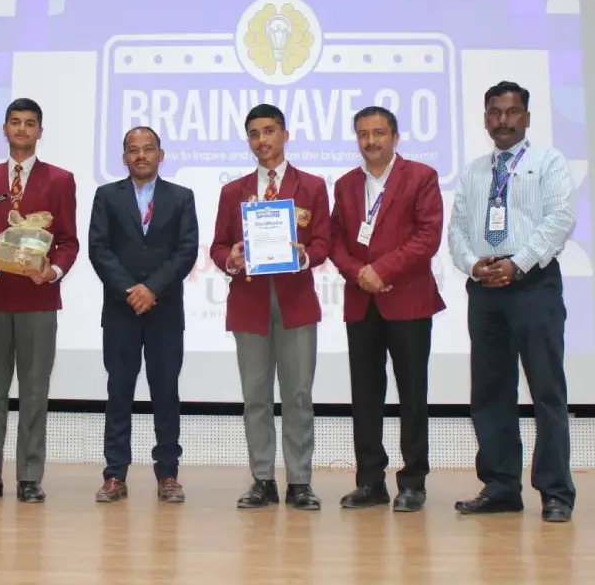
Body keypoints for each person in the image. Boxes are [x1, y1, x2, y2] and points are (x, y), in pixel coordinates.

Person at [447, 80, 577, 523]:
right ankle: (501, 486)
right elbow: (458, 230)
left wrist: (518, 264)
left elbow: (560, 218)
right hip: (485, 288)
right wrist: (473, 265)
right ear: (485, 118)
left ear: (526, 116)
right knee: (489, 392)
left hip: (533, 285)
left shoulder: (548, 162)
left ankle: (556, 491)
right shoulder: (474, 171)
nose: (503, 120)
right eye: (495, 113)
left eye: (511, 112)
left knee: (546, 391)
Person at [0, 98, 79, 504]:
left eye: (30, 124)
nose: (22, 129)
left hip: (39, 299)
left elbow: (68, 242)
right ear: (5, 129)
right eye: (15, 122)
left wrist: (53, 271)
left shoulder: (60, 179)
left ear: (40, 131)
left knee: (34, 390)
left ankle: (29, 477)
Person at [210, 103, 331, 511]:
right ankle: (263, 478)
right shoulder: (233, 191)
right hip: (250, 302)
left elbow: (323, 244)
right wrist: (233, 258)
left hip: (296, 301)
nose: (262, 141)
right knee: (255, 395)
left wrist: (303, 256)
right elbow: (217, 246)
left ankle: (300, 481)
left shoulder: (312, 186)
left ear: (285, 135)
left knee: (298, 394)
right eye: (254, 134)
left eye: (269, 131)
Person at [330, 106, 444, 513]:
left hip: (408, 300)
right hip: (362, 301)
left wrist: (381, 269)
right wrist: (359, 272)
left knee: (413, 394)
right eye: (363, 134)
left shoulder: (421, 177)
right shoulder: (344, 185)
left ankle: (413, 482)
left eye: (379, 133)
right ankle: (370, 482)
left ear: (395, 136)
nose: (371, 141)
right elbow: (335, 240)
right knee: (365, 395)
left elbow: (428, 236)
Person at [88, 126, 199, 503]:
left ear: (160, 155)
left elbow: (186, 251)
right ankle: (114, 475)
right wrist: (130, 290)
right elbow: (98, 249)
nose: (140, 156)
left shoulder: (182, 197)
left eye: (148, 149)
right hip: (120, 312)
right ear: (124, 158)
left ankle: (168, 474)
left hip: (165, 312)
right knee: (119, 393)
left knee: (166, 393)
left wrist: (152, 289)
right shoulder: (106, 196)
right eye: (133, 150)